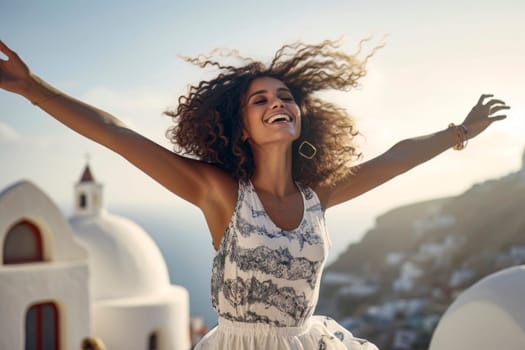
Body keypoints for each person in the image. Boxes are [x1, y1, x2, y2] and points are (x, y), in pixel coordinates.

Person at [0, 39, 509, 350]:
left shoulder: (319, 195)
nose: (276, 103)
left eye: (285, 96)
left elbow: (396, 160)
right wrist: (32, 88)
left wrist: (459, 132)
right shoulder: (220, 192)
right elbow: (115, 133)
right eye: (259, 100)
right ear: (241, 126)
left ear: (300, 114)